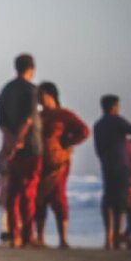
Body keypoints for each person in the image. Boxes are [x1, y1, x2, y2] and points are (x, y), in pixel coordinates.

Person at [93, 95, 131, 250]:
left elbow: (98, 148)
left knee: (108, 199)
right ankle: (118, 233)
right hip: (121, 165)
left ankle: (109, 234)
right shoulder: (117, 120)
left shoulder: (98, 125)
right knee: (119, 201)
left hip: (107, 164)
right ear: (115, 107)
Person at [34, 82, 90, 248]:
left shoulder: (64, 115)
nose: (39, 99)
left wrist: (67, 142)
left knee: (58, 198)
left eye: (42, 95)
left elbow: (84, 131)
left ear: (51, 95)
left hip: (59, 164)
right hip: (42, 164)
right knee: (40, 201)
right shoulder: (39, 116)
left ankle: (63, 239)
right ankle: (41, 238)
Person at [0, 54, 42, 248]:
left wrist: (10, 142)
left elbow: (1, 121)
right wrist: (20, 140)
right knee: (28, 193)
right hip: (30, 147)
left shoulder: (6, 90)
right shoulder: (32, 90)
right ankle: (27, 235)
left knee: (13, 194)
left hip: (10, 149)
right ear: (31, 69)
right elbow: (29, 119)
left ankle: (15, 236)